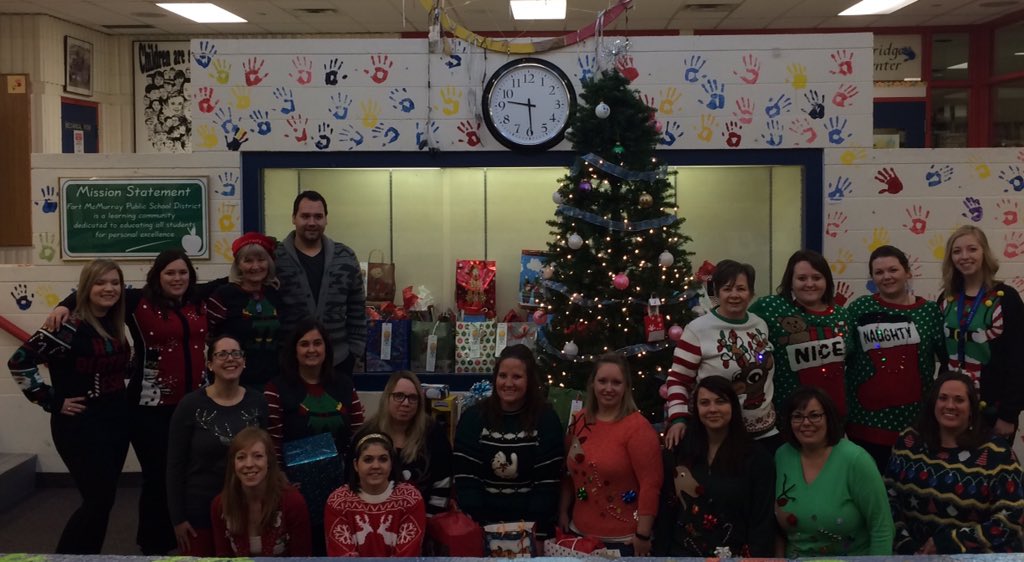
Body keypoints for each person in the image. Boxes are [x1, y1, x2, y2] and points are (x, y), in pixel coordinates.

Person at [46, 248, 214, 554]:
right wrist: (62, 304)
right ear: (157, 276)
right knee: (156, 477)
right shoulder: (139, 301)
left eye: (183, 272)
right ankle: (154, 545)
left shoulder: (198, 298)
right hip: (147, 407)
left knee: (189, 473)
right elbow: (100, 290)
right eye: (169, 273)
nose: (177, 278)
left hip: (192, 404)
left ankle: (191, 540)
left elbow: (232, 280)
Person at [8, 260, 132, 554]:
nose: (109, 288)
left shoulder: (114, 324)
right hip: (80, 425)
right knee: (97, 499)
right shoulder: (67, 327)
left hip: (116, 421)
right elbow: (19, 362)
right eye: (101, 283)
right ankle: (65, 558)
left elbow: (115, 368)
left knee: (105, 500)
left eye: (115, 283)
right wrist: (52, 400)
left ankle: (89, 558)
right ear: (86, 287)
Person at [885, 371, 1024, 554]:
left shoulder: (997, 453)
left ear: (972, 408)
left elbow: (1014, 517)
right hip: (913, 554)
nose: (950, 406)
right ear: (933, 404)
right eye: (943, 398)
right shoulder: (909, 442)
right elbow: (888, 499)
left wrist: (953, 542)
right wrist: (904, 544)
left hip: (973, 555)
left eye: (959, 400)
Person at [264, 317, 364, 554]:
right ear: (294, 350)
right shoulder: (276, 388)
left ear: (326, 348)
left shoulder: (344, 384)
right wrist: (281, 479)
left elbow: (359, 433)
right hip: (294, 490)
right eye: (304, 344)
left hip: (341, 486)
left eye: (317, 343)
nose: (312, 350)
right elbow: (271, 440)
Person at [167, 334, 268, 556]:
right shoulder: (190, 405)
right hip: (199, 509)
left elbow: (267, 455)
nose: (230, 359)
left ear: (244, 361)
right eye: (221, 354)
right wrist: (178, 519)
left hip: (246, 508)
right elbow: (175, 465)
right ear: (210, 364)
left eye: (236, 353)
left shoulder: (258, 402)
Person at [846, 245, 946, 470]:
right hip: (864, 424)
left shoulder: (929, 312)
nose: (886, 277)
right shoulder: (860, 308)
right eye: (879, 272)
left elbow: (948, 362)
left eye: (893, 270)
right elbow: (842, 351)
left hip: (914, 424)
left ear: (908, 272)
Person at [654, 376, 775, 558]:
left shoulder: (756, 457)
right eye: (705, 403)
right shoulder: (679, 452)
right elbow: (666, 512)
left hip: (737, 557)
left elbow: (762, 522)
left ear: (733, 406)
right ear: (696, 408)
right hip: (682, 555)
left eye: (720, 402)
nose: (712, 409)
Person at [664, 259, 778, 450]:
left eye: (741, 289)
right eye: (727, 289)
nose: (734, 295)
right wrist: (678, 419)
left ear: (751, 294)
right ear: (717, 293)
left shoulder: (760, 325)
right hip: (718, 437)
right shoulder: (697, 330)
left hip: (764, 433)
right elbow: (677, 380)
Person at [453, 344, 564, 539]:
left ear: (529, 380)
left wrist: (525, 531)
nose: (508, 383)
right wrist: (485, 529)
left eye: (517, 377)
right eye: (503, 376)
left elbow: (547, 484)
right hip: (481, 527)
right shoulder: (473, 418)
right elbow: (466, 480)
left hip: (532, 529)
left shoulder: (547, 420)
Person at [559, 354, 662, 556]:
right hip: (578, 535)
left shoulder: (638, 428)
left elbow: (651, 485)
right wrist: (562, 511)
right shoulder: (579, 422)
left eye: (616, 382)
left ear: (626, 387)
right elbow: (568, 472)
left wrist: (643, 535)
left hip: (622, 542)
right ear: (592, 384)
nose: (608, 388)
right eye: (602, 381)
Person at [774, 386, 894, 557]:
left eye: (814, 415)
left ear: (829, 418)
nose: (806, 423)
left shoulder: (856, 459)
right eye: (797, 417)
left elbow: (882, 527)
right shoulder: (781, 456)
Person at [938, 225, 1024, 439]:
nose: (964, 256)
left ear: (984, 252)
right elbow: (942, 354)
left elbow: (1018, 359)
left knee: (989, 470)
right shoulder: (946, 299)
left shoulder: (1006, 298)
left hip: (993, 412)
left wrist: (1009, 414)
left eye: (972, 249)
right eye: (957, 251)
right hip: (951, 410)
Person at [275, 190, 367, 381]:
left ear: (326, 219)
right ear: (293, 218)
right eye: (305, 216)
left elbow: (357, 307)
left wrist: (355, 350)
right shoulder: (275, 258)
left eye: (318, 216)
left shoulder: (345, 257)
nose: (312, 222)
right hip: (288, 367)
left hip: (338, 363)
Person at [749, 249, 852, 418]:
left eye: (817, 278)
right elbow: (740, 320)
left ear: (826, 281)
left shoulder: (842, 315)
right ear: (790, 281)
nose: (809, 284)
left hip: (832, 414)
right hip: (788, 414)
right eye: (802, 278)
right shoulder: (771, 307)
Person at [360, 371, 452, 516]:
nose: (406, 403)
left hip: (425, 521)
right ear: (387, 398)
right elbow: (354, 483)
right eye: (399, 396)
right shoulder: (367, 434)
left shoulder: (433, 433)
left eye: (413, 398)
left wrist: (427, 523)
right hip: (373, 520)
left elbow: (443, 483)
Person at [211, 427, 312, 557]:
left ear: (268, 461)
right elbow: (223, 558)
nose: (249, 464)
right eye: (241, 457)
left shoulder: (293, 502)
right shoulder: (220, 506)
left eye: (257, 456)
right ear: (233, 464)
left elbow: (303, 558)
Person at [324, 432, 426, 556]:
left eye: (383, 459)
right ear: (356, 465)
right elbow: (342, 557)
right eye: (368, 460)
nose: (376, 466)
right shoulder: (337, 502)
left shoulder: (411, 499)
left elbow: (408, 556)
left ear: (391, 464)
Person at [207, 232, 285, 390]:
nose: (255, 266)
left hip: (273, 381)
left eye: (261, 260)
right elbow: (208, 337)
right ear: (238, 265)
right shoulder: (223, 295)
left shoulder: (275, 295)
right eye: (248, 261)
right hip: (233, 382)